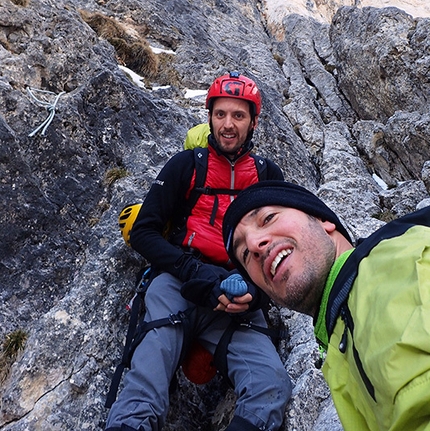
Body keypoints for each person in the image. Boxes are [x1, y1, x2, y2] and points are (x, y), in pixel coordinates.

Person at [106, 73, 292, 431]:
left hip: (236, 297)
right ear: (209, 117)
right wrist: (192, 270)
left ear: (254, 121)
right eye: (220, 114)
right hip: (177, 283)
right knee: (145, 379)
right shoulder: (185, 165)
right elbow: (144, 232)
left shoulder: (268, 176)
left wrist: (255, 294)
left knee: (271, 385)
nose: (227, 124)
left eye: (238, 116)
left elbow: (281, 248)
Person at [222, 179, 430, 431]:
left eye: (268, 218)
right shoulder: (339, 343)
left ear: (323, 220)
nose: (255, 245)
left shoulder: (399, 258)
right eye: (244, 254)